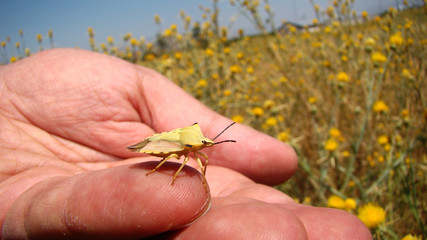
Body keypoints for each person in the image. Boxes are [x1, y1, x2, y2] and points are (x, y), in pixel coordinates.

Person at [0, 49, 372, 239]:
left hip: (174, 144)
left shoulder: (198, 147)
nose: (208, 147)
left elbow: (197, 152)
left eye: (210, 143)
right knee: (173, 169)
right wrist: (171, 168)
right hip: (162, 145)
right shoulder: (186, 147)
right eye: (209, 142)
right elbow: (177, 152)